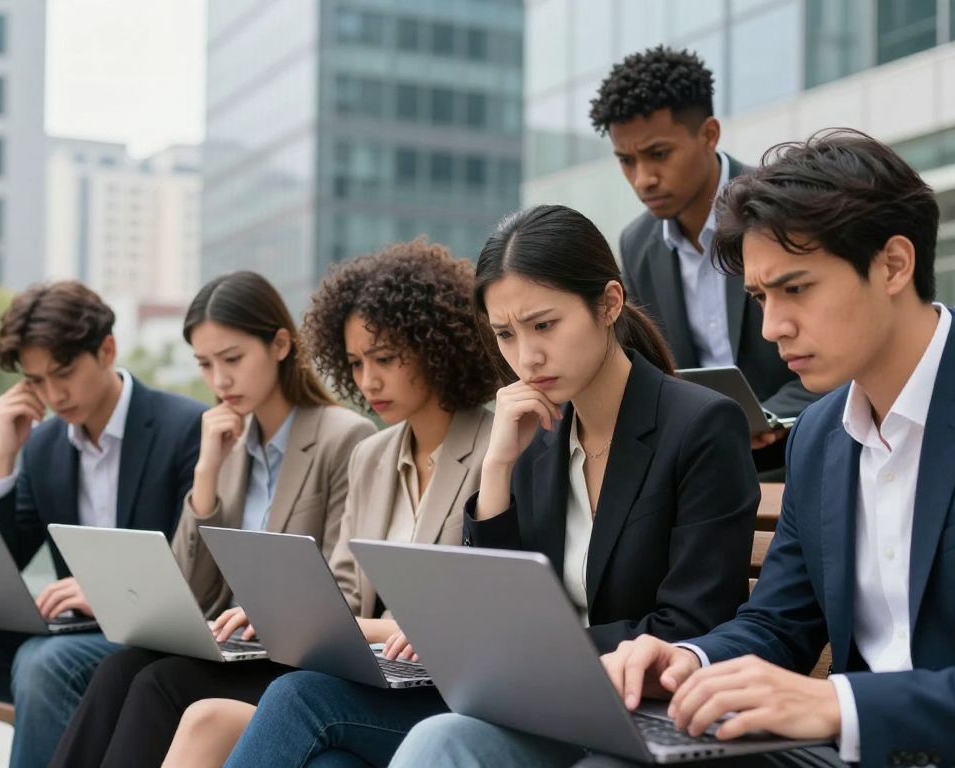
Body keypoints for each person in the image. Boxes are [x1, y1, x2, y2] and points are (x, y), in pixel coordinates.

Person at [394, 131, 954, 767]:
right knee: (447, 740)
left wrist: (843, 706)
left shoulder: (712, 428)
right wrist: (684, 657)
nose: (772, 329)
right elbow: (779, 624)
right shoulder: (824, 438)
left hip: (880, 736)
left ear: (893, 265)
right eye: (761, 299)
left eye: (796, 289)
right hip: (836, 750)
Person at [221, 205, 760, 768]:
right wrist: (498, 466)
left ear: (609, 304)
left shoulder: (699, 426)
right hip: (523, 700)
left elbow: (694, 624)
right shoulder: (536, 438)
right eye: (505, 333)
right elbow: (499, 603)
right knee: (300, 696)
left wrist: (521, 654)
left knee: (436, 741)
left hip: (629, 706)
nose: (526, 356)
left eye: (544, 325)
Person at [157, 239, 497, 768]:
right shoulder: (372, 456)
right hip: (373, 681)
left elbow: (480, 609)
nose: (367, 381)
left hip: (447, 693)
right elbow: (342, 591)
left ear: (436, 346)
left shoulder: (498, 451)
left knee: (296, 698)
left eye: (384, 359)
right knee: (219, 721)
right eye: (356, 363)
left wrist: (373, 630)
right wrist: (285, 616)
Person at [49, 272, 375, 768]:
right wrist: (206, 475)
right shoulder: (227, 441)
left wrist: (270, 614)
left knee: (158, 683)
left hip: (292, 660)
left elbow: (345, 590)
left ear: (280, 344)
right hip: (231, 646)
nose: (219, 380)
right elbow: (191, 590)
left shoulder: (342, 437)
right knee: (118, 668)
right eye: (205, 364)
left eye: (233, 359)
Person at [0, 281, 205, 768]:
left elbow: (196, 570)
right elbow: (0, 562)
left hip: (149, 643)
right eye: (35, 381)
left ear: (107, 349)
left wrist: (106, 589)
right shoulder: (43, 445)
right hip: (71, 634)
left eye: (64, 373)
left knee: (42, 664)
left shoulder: (185, 428)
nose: (53, 395)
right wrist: (3, 459)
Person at [591, 45, 817, 467]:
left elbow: (840, 339)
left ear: (709, 134)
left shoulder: (784, 206)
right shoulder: (637, 245)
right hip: (703, 464)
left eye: (659, 154)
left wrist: (769, 417)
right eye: (626, 160)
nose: (644, 178)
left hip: (805, 450)